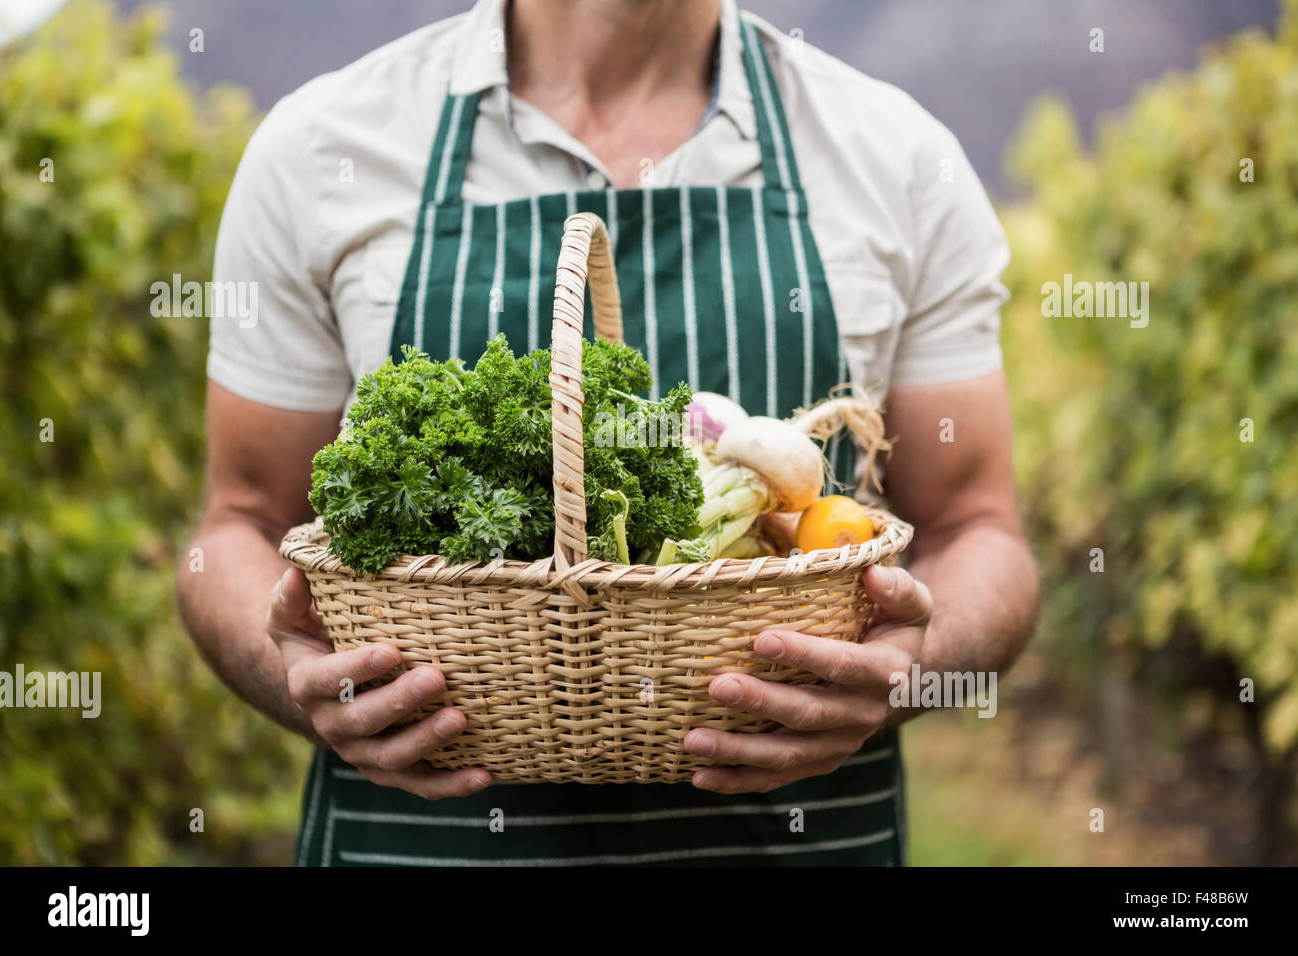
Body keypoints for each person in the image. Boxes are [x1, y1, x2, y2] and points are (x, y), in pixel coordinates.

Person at [178, 0, 1039, 866]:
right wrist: (293, 672)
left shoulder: (896, 156)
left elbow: (977, 526)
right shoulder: (320, 149)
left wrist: (917, 669)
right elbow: (239, 523)